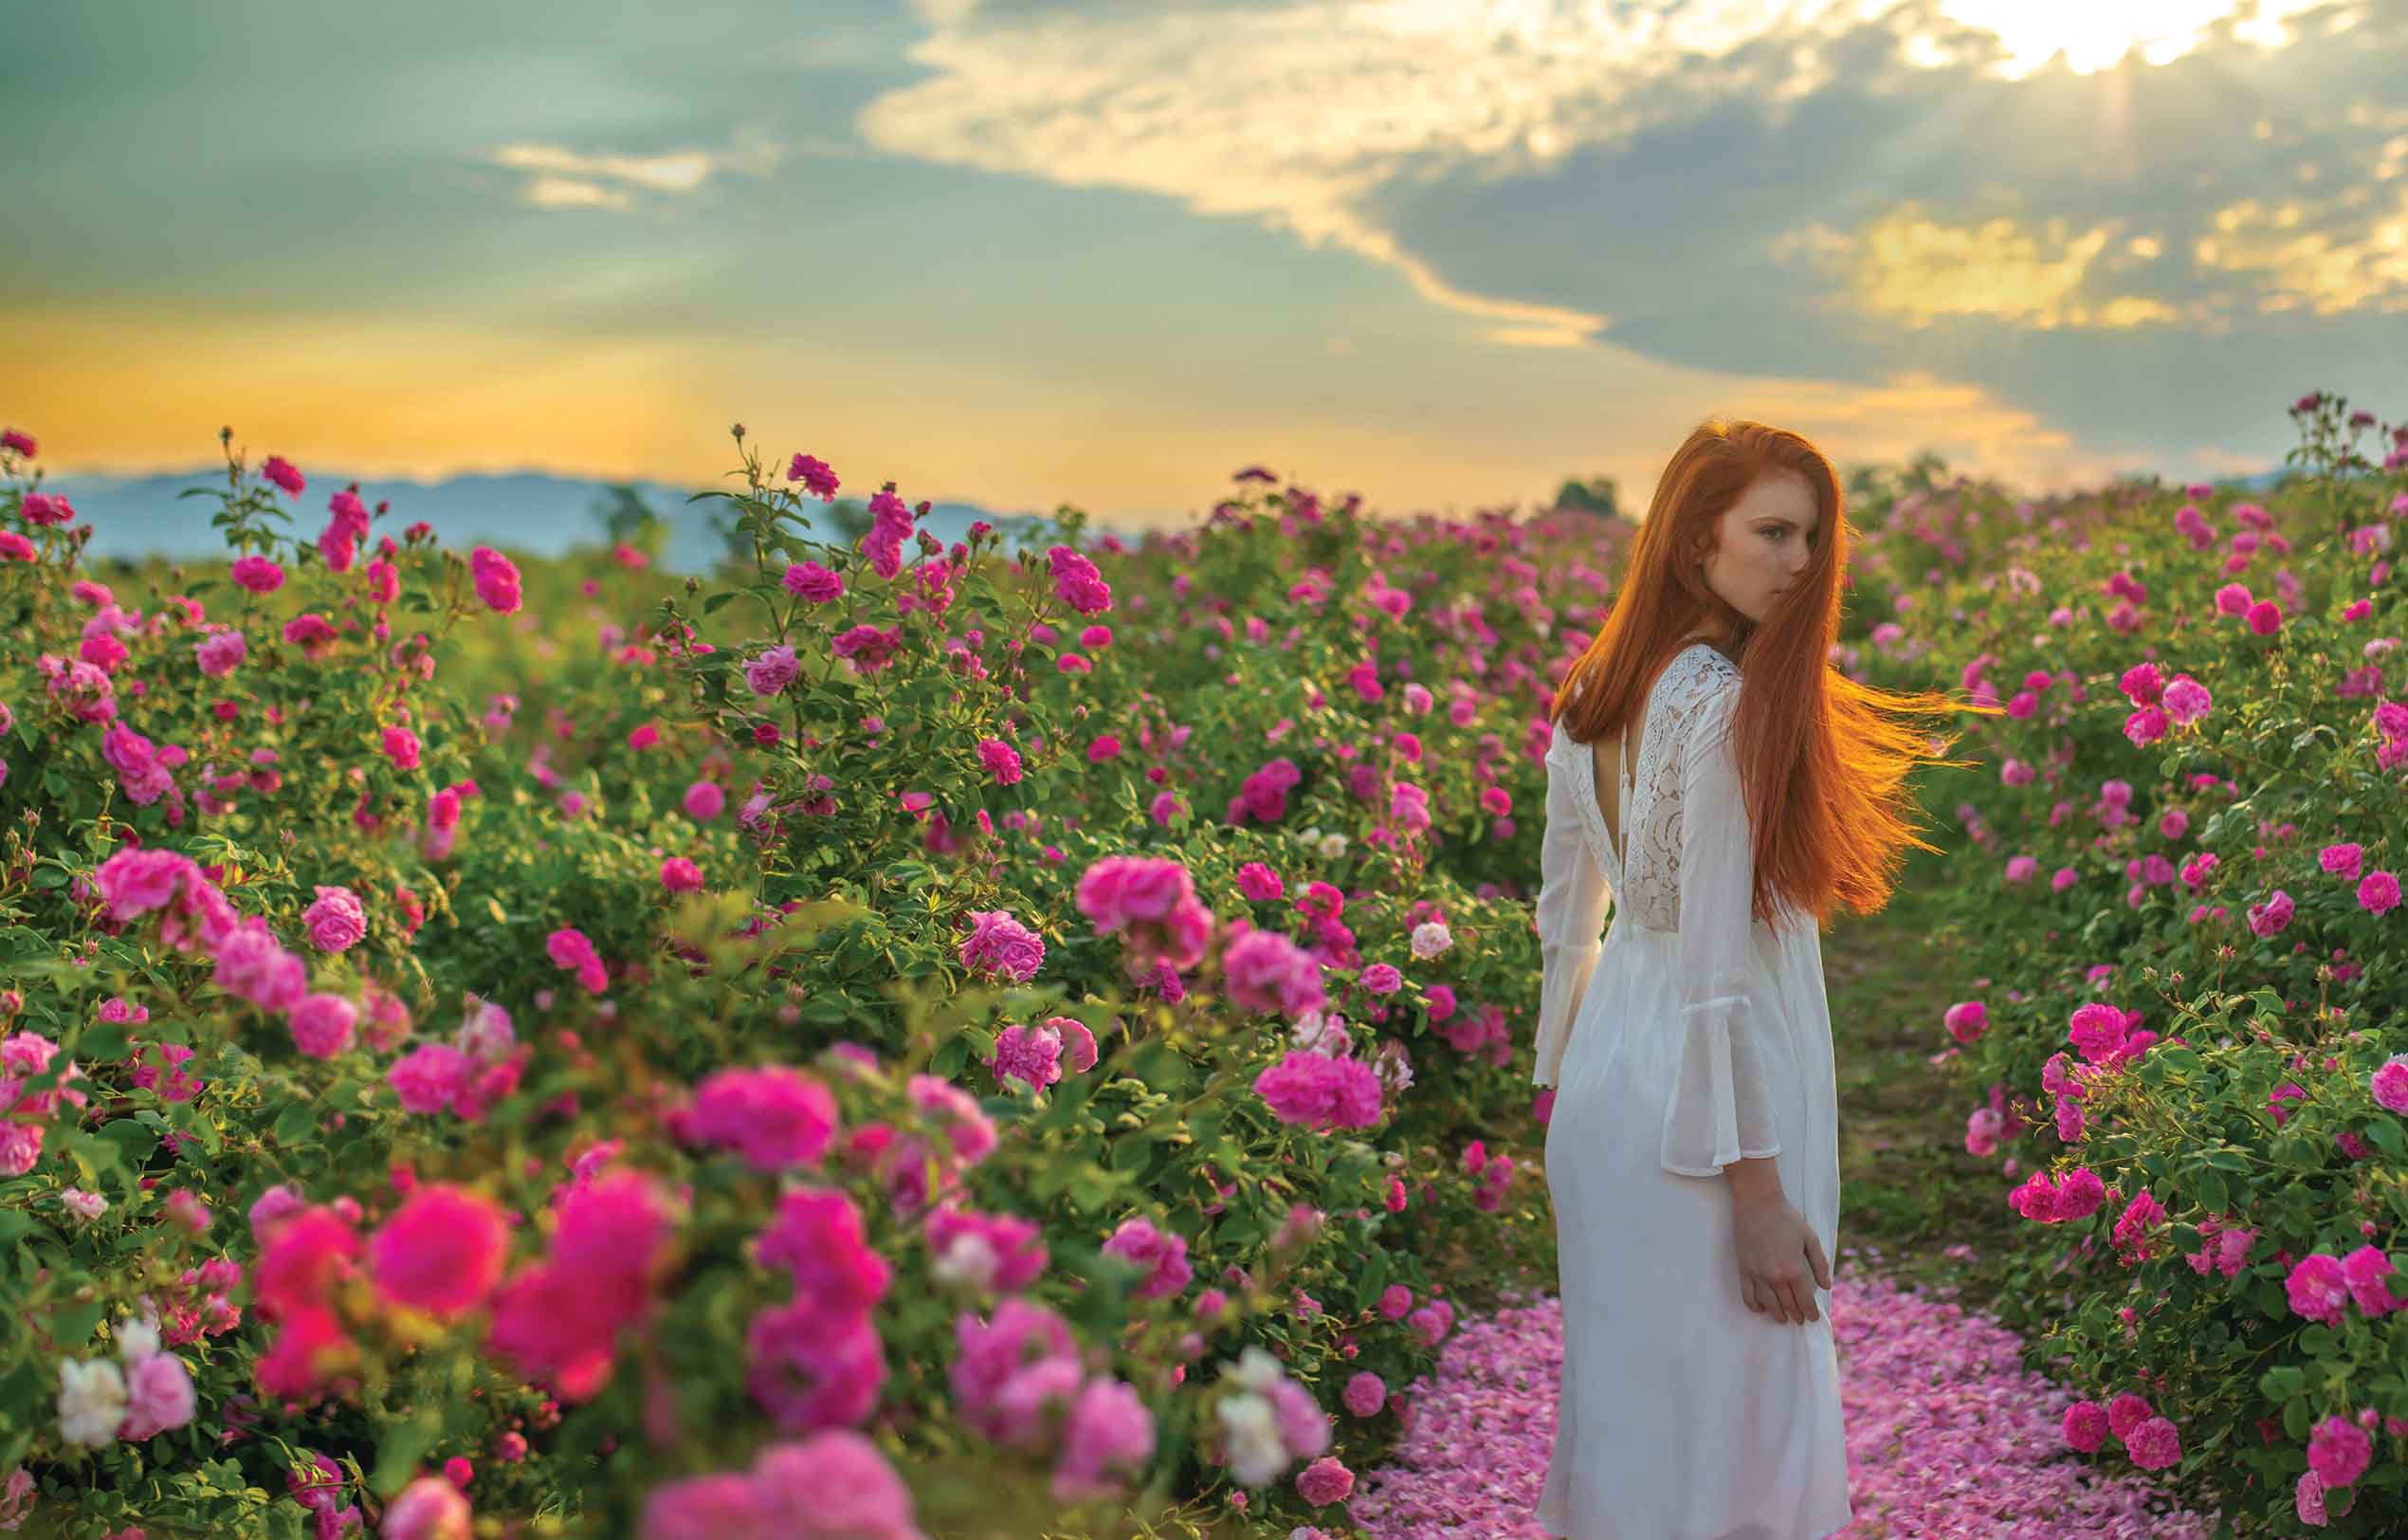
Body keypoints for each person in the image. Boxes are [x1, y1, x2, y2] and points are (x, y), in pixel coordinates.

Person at [1530, 418, 1992, 1539]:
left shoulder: (1594, 683)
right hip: (1707, 1101)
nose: (1799, 562)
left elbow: (1565, 920)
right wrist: (1754, 1195)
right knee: (1739, 1429)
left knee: (1640, 1425)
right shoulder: (1722, 700)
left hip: (1610, 1078)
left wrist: (1559, 1075)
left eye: (1811, 536)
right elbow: (1717, 971)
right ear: (1696, 544)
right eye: (1772, 532)